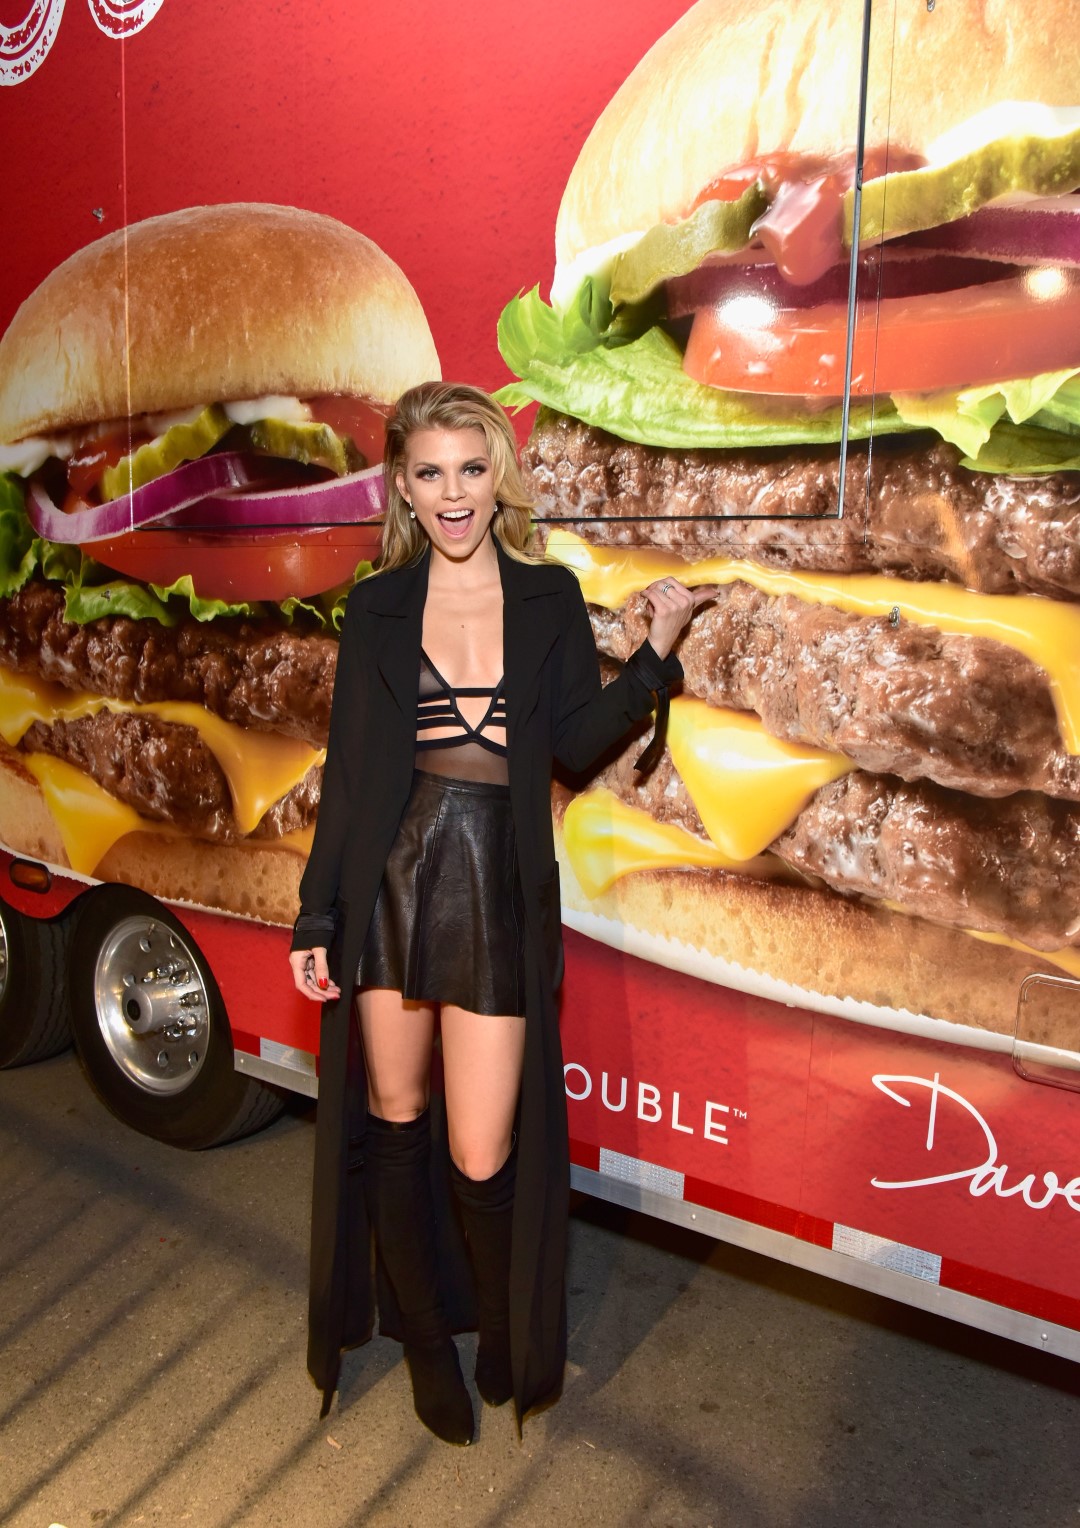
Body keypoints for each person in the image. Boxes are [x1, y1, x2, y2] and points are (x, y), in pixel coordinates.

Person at [289, 381, 710, 1444]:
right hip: (389, 881)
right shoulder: (377, 605)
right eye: (430, 472)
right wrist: (315, 916)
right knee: (394, 1126)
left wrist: (654, 657)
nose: (454, 493)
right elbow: (349, 776)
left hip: (495, 884)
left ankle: (493, 1321)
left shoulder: (547, 597)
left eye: (472, 469)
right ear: (402, 486)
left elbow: (569, 745)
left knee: (482, 1154)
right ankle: (424, 1340)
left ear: (498, 477)